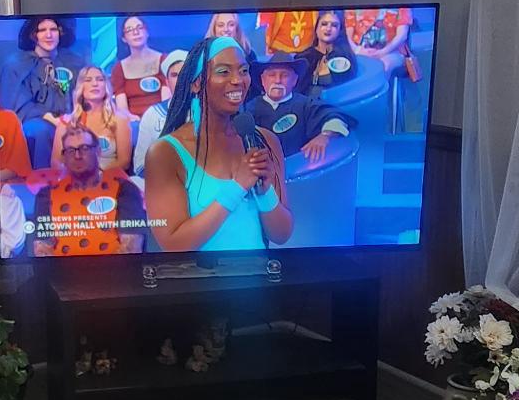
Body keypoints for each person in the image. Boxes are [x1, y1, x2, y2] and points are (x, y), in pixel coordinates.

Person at [144, 36, 292, 253]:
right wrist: (237, 187)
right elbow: (173, 244)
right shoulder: (165, 153)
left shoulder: (265, 141)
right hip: (200, 284)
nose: (237, 80)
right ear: (196, 83)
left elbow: (282, 235)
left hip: (258, 281)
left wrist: (265, 192)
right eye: (224, 72)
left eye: (243, 71)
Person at [32, 129, 147, 256]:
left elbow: (131, 250)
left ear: (97, 151)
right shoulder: (46, 195)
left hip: (113, 272)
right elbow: (42, 251)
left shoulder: (125, 189)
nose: (77, 156)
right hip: (62, 273)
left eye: (84, 148)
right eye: (70, 150)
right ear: (64, 157)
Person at [0, 16, 84, 167]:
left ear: (60, 32)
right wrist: (51, 118)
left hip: (72, 116)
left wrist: (75, 114)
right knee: (40, 131)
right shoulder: (15, 65)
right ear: (33, 35)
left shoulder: (75, 62)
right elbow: (16, 103)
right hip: (35, 119)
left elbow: (84, 92)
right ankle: (42, 184)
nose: (48, 35)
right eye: (42, 30)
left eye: (53, 29)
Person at [250, 53, 355, 164]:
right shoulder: (249, 109)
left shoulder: (306, 104)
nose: (278, 80)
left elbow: (336, 118)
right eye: (272, 75)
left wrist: (325, 136)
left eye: (284, 75)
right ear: (262, 80)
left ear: (294, 80)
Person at [51, 65, 130, 174]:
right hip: (75, 182)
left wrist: (97, 176)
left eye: (100, 79)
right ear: (81, 87)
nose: (95, 84)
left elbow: (124, 161)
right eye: (88, 80)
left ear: (106, 86)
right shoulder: (66, 123)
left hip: (110, 181)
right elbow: (56, 162)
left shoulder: (120, 119)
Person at [132, 49, 187, 176]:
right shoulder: (152, 114)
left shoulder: (209, 113)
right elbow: (140, 165)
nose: (181, 79)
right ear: (167, 82)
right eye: (175, 75)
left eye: (185, 74)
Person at [110, 16, 166, 119]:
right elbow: (122, 109)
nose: (136, 32)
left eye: (139, 27)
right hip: (133, 123)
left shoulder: (164, 60)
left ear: (147, 32)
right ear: (124, 38)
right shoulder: (119, 68)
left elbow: (167, 102)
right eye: (129, 30)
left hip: (161, 120)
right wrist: (132, 119)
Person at [301, 8, 357, 92]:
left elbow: (346, 90)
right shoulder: (304, 57)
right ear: (316, 28)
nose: (328, 29)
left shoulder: (345, 57)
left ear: (340, 31)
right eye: (324, 24)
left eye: (334, 25)